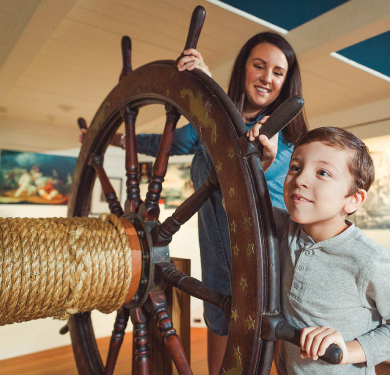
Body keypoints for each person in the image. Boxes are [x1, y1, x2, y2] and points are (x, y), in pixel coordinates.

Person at [79, 32, 308, 374]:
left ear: (286, 82)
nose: (266, 78)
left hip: (268, 272)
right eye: (259, 66)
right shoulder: (205, 129)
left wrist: (267, 160)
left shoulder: (286, 142)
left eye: (278, 72)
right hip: (217, 272)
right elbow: (164, 141)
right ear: (243, 69)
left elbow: (281, 183)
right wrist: (106, 137)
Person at [257, 126, 390, 374]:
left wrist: (346, 350)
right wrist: (263, 162)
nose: (300, 179)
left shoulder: (369, 259)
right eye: (295, 167)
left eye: (322, 172)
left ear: (353, 199)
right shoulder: (283, 228)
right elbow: (241, 204)